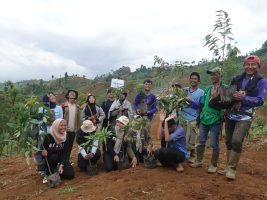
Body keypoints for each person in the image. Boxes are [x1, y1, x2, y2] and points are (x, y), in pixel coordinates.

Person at [220, 55, 267, 180]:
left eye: (253, 65)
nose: (250, 67)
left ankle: (231, 169)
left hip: (245, 116)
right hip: (231, 114)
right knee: (228, 140)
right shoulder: (237, 78)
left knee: (236, 140)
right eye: (247, 64)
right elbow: (227, 95)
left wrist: (243, 98)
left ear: (258, 66)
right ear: (244, 65)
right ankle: (228, 167)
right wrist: (229, 97)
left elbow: (260, 100)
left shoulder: (261, 81)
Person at [190, 67, 226, 173]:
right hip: (204, 119)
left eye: (215, 74)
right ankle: (199, 161)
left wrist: (217, 98)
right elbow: (201, 104)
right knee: (201, 141)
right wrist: (198, 118)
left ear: (220, 75)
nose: (213, 76)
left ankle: (213, 165)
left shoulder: (225, 88)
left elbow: (226, 105)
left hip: (215, 120)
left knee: (214, 143)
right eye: (212, 75)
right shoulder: (208, 88)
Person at [179, 72, 204, 163]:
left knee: (192, 138)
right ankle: (182, 154)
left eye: (195, 79)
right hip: (182, 117)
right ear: (190, 79)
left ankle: (193, 155)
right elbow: (178, 102)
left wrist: (191, 102)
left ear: (198, 81)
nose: (193, 80)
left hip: (193, 117)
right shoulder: (184, 90)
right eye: (192, 78)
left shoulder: (201, 92)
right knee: (182, 137)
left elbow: (201, 106)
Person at [41, 119, 74, 183]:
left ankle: (57, 170)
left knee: (70, 175)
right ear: (56, 126)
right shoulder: (48, 136)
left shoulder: (66, 136)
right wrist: (43, 153)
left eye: (65, 125)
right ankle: (48, 173)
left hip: (61, 159)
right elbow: (42, 151)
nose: (63, 127)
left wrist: (61, 165)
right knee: (54, 156)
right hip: (50, 160)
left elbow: (65, 152)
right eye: (61, 125)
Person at [62, 90, 81, 162]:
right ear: (67, 95)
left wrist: (78, 129)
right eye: (70, 93)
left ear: (75, 96)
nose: (72, 93)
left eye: (74, 93)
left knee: (70, 147)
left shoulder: (77, 106)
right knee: (64, 147)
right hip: (65, 130)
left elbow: (78, 119)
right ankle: (62, 161)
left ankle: (66, 161)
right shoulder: (64, 105)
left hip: (73, 130)